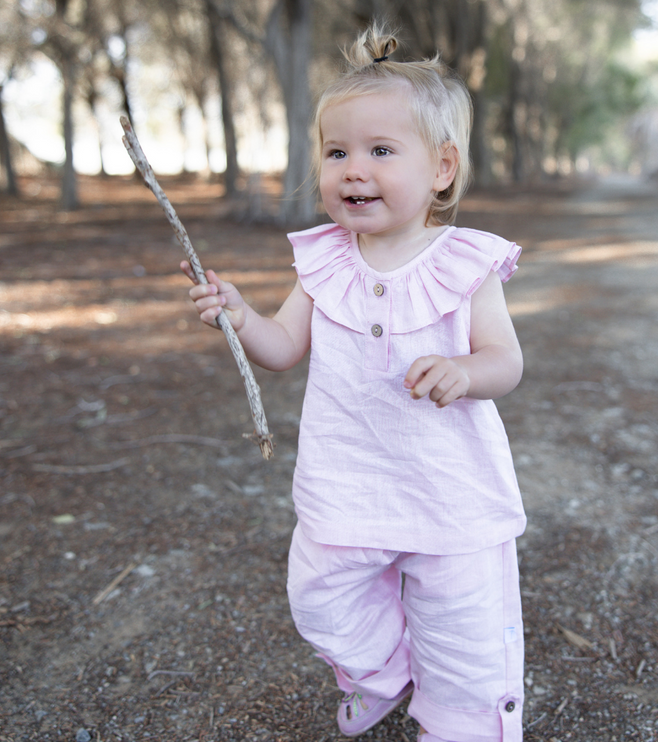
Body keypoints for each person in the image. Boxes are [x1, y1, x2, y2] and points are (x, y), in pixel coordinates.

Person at [182, 23, 527, 742]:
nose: (351, 169)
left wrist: (464, 371)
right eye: (336, 152)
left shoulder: (463, 264)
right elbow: (281, 349)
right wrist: (240, 315)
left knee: (465, 634)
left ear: (441, 167)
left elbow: (506, 360)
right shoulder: (325, 265)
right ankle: (381, 674)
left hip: (450, 490)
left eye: (379, 151)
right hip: (349, 482)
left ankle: (459, 724)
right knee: (321, 597)